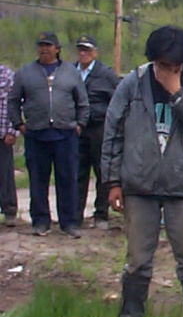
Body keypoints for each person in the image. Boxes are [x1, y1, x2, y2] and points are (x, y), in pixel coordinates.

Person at [99, 26, 183, 317]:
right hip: (140, 185)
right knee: (137, 257)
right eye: (163, 66)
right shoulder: (132, 83)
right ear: (152, 60)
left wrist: (178, 92)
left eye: (175, 67)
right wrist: (112, 182)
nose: (169, 71)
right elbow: (112, 132)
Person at [8, 32, 88, 238]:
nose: (44, 49)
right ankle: (41, 221)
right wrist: (19, 124)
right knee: (37, 180)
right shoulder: (25, 73)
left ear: (57, 49)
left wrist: (79, 124)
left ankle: (69, 222)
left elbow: (82, 102)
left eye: (48, 45)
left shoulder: (70, 72)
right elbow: (13, 101)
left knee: (67, 179)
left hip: (65, 135)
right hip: (36, 135)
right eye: (41, 45)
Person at [74, 35, 120, 230]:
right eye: (80, 49)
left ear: (95, 52)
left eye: (87, 49)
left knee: (102, 171)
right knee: (77, 173)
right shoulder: (70, 71)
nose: (83, 53)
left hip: (98, 128)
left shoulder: (105, 73)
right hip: (76, 129)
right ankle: (75, 216)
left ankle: (101, 214)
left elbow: (118, 100)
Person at [0, 62, 19, 227]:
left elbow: (15, 104)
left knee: (5, 174)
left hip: (2, 134)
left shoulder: (7, 75)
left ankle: (9, 210)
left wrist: (13, 130)